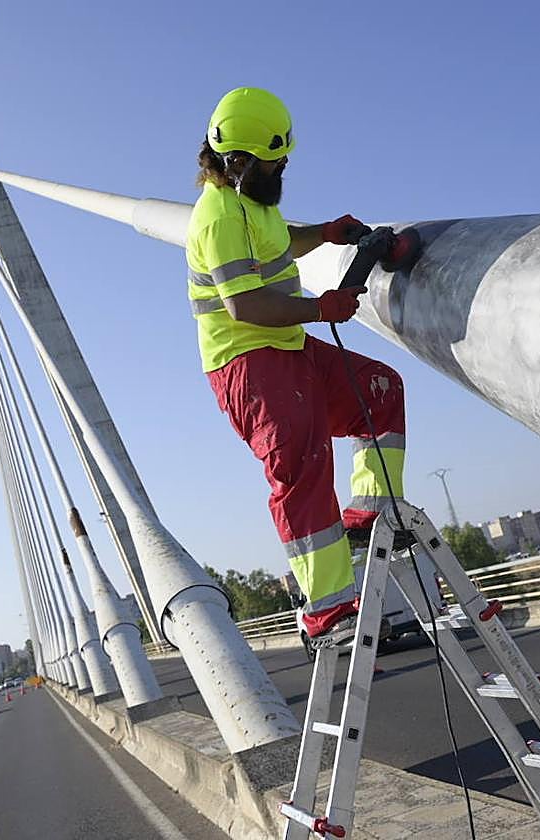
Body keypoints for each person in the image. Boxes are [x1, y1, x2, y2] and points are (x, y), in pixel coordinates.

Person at [187, 87, 408, 641]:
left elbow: (281, 242)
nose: (282, 168)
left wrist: (327, 233)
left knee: (380, 390)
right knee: (302, 463)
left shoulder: (254, 205)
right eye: (274, 162)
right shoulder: (216, 217)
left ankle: (372, 513)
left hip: (286, 346)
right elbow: (245, 305)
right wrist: (320, 308)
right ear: (238, 162)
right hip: (246, 362)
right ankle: (326, 610)